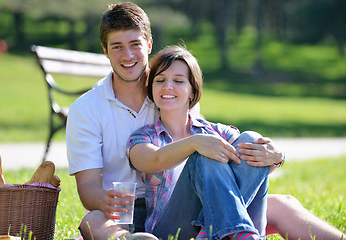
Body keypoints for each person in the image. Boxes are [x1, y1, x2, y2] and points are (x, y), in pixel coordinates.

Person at [66, 2, 346, 240]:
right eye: (117, 47)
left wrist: (276, 155)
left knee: (283, 203)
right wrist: (106, 201)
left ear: (148, 44)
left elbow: (220, 154)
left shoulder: (171, 94)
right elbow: (90, 186)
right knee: (93, 219)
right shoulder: (87, 109)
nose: (127, 55)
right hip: (129, 212)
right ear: (105, 50)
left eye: (134, 45)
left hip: (194, 199)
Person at [127, 45, 271, 240]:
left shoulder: (215, 131)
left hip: (206, 229)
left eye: (178, 81)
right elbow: (153, 159)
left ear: (192, 91)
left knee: (251, 138)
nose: (167, 86)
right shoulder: (142, 137)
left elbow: (251, 170)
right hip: (170, 230)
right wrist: (195, 143)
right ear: (152, 90)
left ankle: (210, 230)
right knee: (204, 154)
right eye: (160, 80)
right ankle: (234, 232)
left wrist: (277, 157)